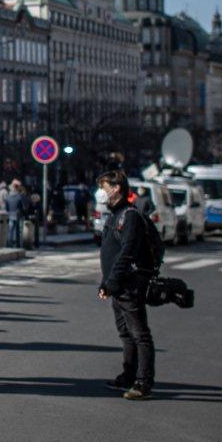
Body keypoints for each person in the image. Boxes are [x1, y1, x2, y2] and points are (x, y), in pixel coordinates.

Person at [97, 170, 155, 400]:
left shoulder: (129, 216)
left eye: (104, 187)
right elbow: (109, 253)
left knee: (140, 334)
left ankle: (143, 382)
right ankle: (129, 374)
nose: (102, 192)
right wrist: (105, 282)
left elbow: (127, 252)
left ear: (117, 188)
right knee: (125, 332)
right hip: (117, 285)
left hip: (129, 284)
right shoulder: (115, 215)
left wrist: (112, 281)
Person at [5, 179, 27, 248]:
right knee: (20, 232)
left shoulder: (7, 197)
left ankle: (10, 245)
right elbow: (23, 207)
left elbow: (6, 208)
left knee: (10, 231)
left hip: (11, 215)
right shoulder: (20, 197)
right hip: (19, 215)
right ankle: (19, 246)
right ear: (17, 187)